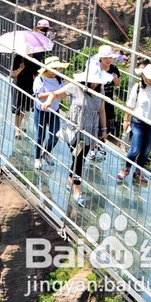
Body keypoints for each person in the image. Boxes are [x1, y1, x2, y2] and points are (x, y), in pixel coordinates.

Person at [42, 67, 110, 206]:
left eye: (96, 82)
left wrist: (103, 129)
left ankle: (71, 183)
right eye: (92, 82)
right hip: (74, 129)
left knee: (79, 159)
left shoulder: (100, 91)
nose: (94, 84)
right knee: (78, 158)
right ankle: (76, 189)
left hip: (89, 131)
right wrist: (48, 101)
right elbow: (55, 94)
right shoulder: (75, 87)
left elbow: (102, 111)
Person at [32, 56, 70, 170]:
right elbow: (39, 95)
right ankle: (37, 158)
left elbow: (65, 94)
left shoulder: (59, 79)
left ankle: (46, 152)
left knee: (55, 136)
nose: (57, 71)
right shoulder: (40, 79)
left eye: (58, 69)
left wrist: (55, 94)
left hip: (54, 111)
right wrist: (54, 93)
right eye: (54, 68)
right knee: (40, 136)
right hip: (41, 111)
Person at [87, 45, 121, 160]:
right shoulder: (96, 68)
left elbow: (117, 84)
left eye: (110, 58)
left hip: (108, 99)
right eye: (106, 58)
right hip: (96, 98)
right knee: (95, 123)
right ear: (100, 58)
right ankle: (93, 147)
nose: (108, 60)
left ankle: (100, 143)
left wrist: (115, 78)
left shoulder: (114, 69)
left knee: (109, 124)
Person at [10, 45, 45, 139]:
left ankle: (19, 124)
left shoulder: (36, 58)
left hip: (29, 85)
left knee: (25, 107)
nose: (31, 53)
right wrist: (20, 69)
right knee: (19, 107)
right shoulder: (19, 58)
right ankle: (17, 128)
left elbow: (36, 73)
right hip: (19, 84)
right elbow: (13, 74)